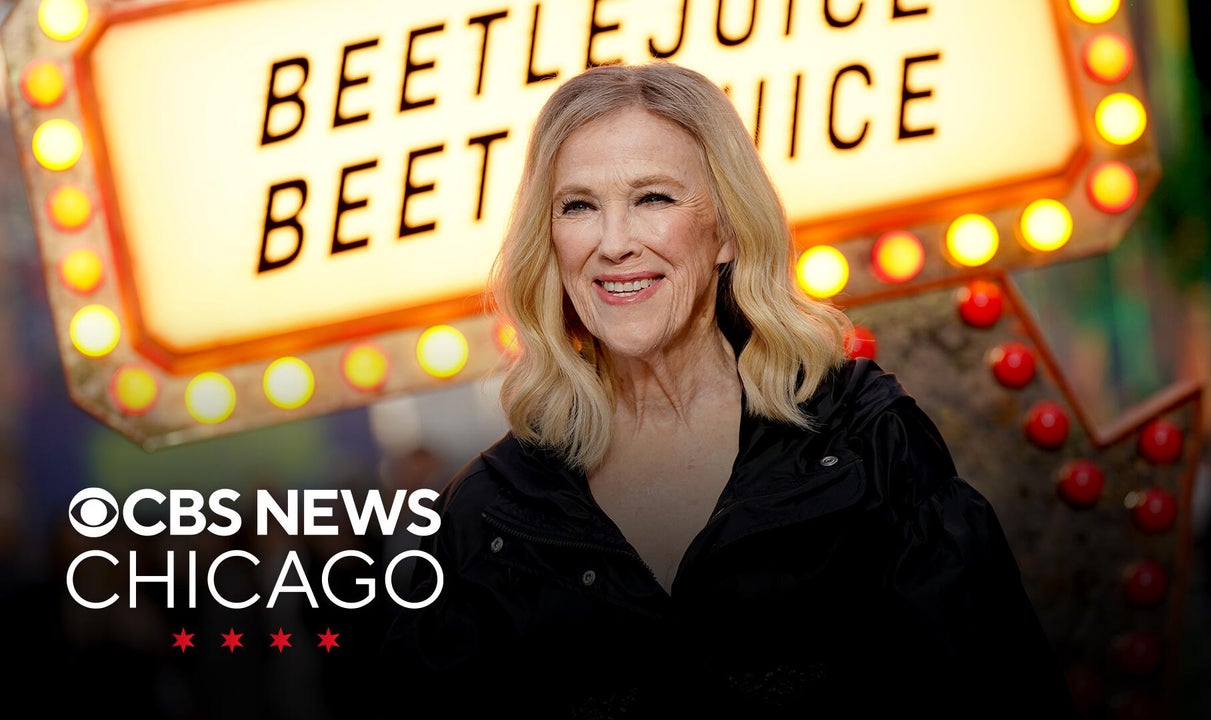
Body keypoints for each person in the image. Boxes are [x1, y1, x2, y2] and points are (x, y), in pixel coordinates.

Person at [382, 61, 1077, 718]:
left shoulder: (866, 441)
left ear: (727, 231)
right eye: (579, 206)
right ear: (551, 240)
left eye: (653, 198)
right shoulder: (487, 516)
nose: (614, 242)